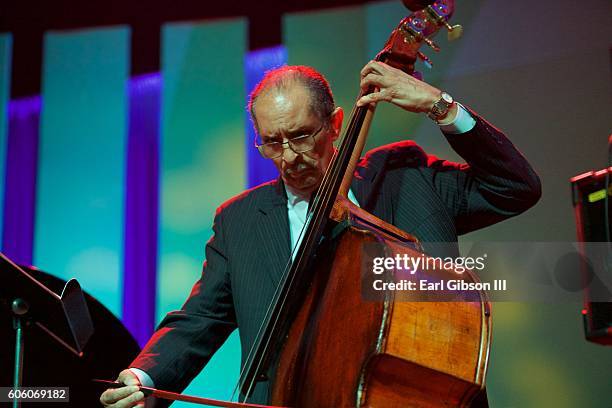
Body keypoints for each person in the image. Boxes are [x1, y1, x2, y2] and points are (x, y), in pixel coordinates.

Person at [100, 61, 541, 407]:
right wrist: (142, 377)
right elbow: (200, 320)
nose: (289, 156)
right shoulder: (239, 220)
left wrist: (439, 107)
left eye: (301, 136)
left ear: (334, 123)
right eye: (272, 142)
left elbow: (515, 188)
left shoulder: (406, 178)